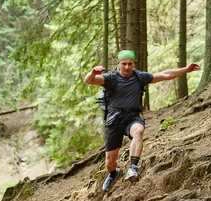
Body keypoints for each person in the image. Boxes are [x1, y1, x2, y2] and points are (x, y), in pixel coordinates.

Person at [84, 49, 200, 193]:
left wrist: (186, 69)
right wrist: (93, 73)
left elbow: (165, 74)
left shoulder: (140, 77)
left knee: (138, 131)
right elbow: (89, 80)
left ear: (134, 64)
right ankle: (113, 174)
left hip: (132, 117)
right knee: (110, 162)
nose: (127, 67)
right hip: (114, 119)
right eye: (124, 64)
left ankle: (133, 169)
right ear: (119, 64)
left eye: (130, 64)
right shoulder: (111, 78)